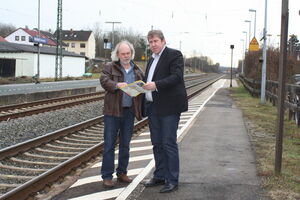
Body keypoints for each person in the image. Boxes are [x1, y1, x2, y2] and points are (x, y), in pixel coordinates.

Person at [142, 30, 188, 193]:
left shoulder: (174, 55)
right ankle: (160, 175)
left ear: (163, 41)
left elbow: (176, 77)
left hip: (169, 107)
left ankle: (172, 180)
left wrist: (156, 85)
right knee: (157, 143)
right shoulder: (151, 60)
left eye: (155, 41)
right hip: (153, 107)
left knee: (168, 143)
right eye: (150, 42)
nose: (153, 44)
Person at [100, 40, 144, 188]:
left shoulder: (137, 70)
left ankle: (122, 173)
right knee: (109, 145)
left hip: (129, 112)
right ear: (117, 54)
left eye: (128, 53)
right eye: (123, 53)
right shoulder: (109, 67)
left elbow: (141, 89)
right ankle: (107, 176)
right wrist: (116, 85)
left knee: (125, 144)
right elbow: (104, 81)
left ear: (132, 53)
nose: (126, 56)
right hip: (112, 112)